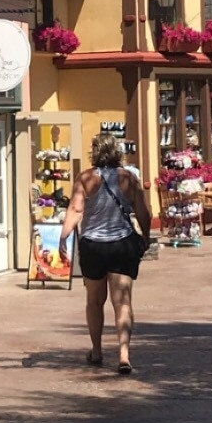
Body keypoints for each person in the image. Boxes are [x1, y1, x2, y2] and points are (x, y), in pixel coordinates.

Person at [60, 133, 152, 374]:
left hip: (93, 246)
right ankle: (124, 355)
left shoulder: (85, 179)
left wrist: (63, 237)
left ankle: (97, 350)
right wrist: (146, 237)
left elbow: (75, 209)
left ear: (95, 152)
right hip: (122, 245)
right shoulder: (128, 179)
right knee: (122, 301)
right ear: (116, 152)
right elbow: (143, 213)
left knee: (94, 300)